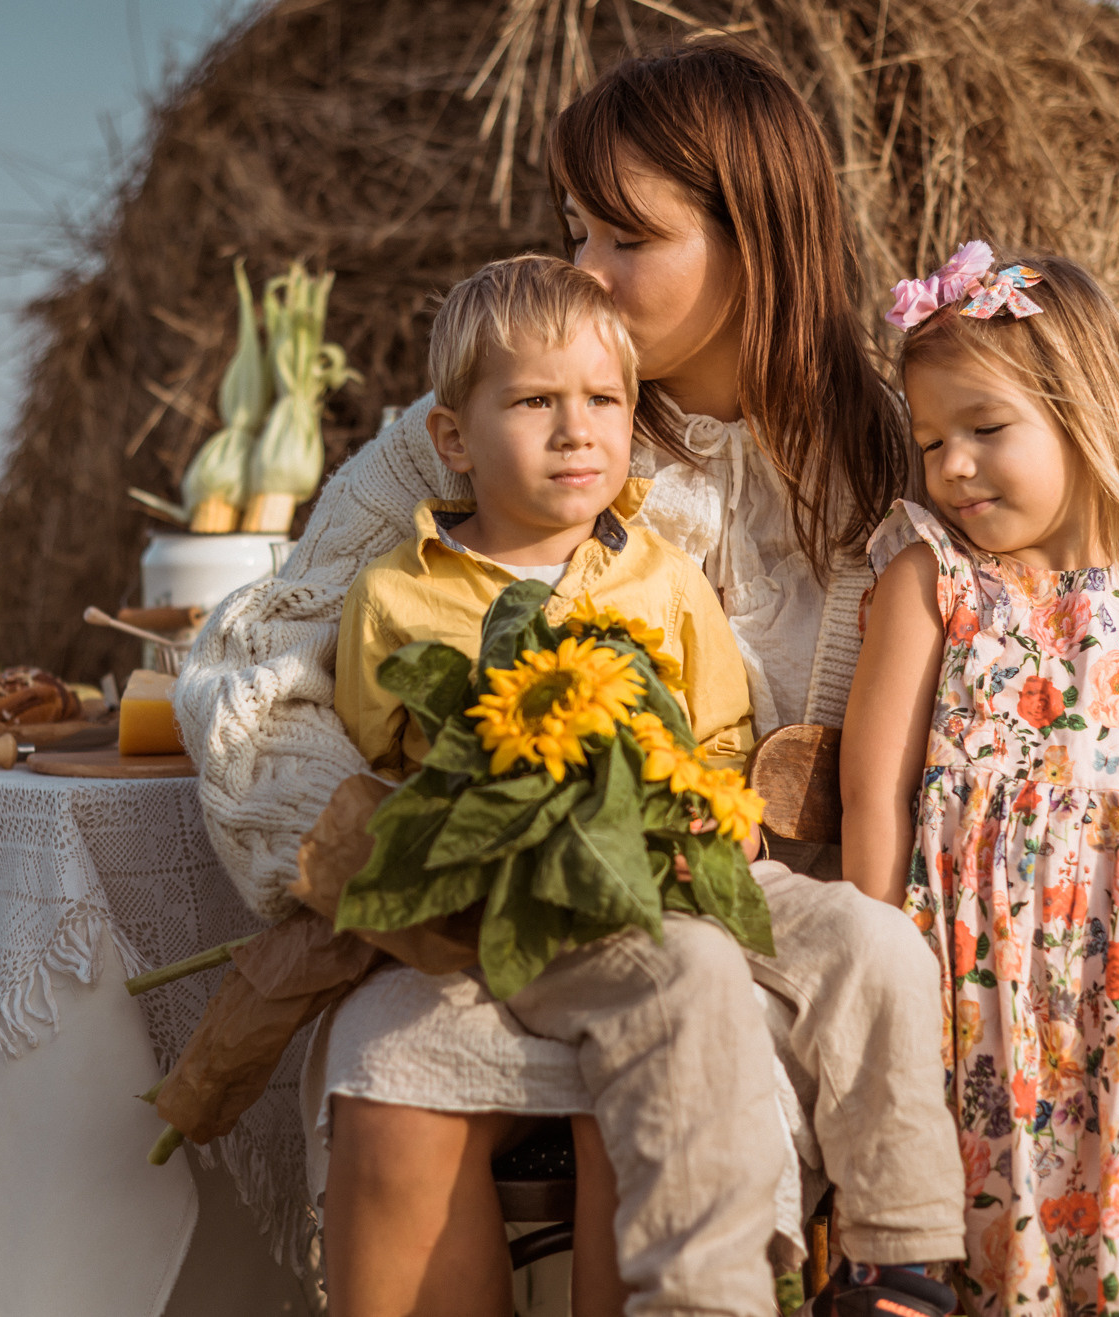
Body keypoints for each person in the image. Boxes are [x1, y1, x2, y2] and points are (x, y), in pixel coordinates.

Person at [173, 40, 1119, 1317]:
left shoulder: (920, 449)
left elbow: (1069, 638)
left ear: (757, 240)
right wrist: (414, 862)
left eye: (626, 237)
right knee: (392, 1055)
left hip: (766, 931)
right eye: (574, 230)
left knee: (688, 1033)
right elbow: (252, 667)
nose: (584, 273)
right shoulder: (502, 418)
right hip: (490, 918)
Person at [841, 244, 1119, 1314]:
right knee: (991, 1239)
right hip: (980, 1000)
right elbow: (877, 793)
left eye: (985, 430)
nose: (951, 467)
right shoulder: (936, 583)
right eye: (930, 443)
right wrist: (872, 976)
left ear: (1084, 408)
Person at [332, 250, 768, 1316]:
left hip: (637, 914)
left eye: (604, 402)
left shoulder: (661, 579)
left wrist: (700, 829)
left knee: (639, 1096)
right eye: (534, 402)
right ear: (452, 439)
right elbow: (373, 763)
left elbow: (718, 743)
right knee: (384, 1074)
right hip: (471, 931)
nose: (577, 432)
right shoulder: (395, 594)